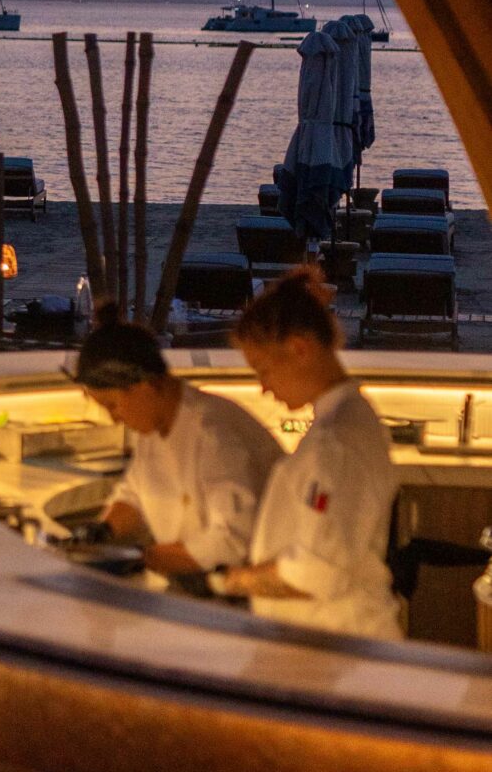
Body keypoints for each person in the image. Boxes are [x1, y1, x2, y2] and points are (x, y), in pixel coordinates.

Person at [218, 268, 404, 640]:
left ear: (300, 349)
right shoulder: (340, 421)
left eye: (263, 370)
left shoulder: (337, 442)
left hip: (340, 646)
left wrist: (229, 581)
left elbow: (316, 575)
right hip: (324, 644)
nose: (263, 388)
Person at [72, 307, 279, 580]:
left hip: (237, 589)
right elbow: (134, 494)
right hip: (188, 581)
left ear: (145, 386)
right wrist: (103, 530)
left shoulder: (214, 434)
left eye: (113, 405)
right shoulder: (152, 427)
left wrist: (144, 557)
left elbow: (231, 542)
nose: (113, 418)